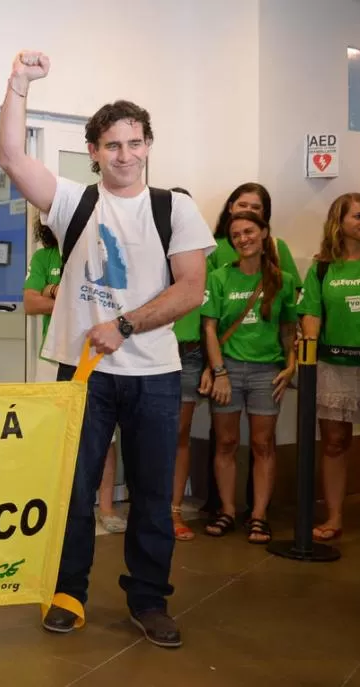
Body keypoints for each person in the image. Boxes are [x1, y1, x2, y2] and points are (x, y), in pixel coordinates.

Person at [0, 50, 215, 648]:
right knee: (71, 491)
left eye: (135, 142)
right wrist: (19, 84)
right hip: (83, 372)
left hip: (154, 375)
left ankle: (149, 601)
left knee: (150, 495)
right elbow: (12, 156)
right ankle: (68, 593)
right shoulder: (75, 203)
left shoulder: (176, 208)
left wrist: (126, 324)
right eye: (112, 144)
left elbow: (191, 289)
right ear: (94, 151)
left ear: (148, 145)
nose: (125, 154)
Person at [298, 193, 360, 549]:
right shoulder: (323, 267)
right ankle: (334, 517)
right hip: (333, 367)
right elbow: (311, 312)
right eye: (358, 215)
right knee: (335, 443)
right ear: (339, 222)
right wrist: (309, 349)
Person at [24, 214, 127, 535]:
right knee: (51, 433)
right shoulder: (44, 257)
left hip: (95, 358)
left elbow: (110, 303)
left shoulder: (99, 253)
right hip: (53, 357)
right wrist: (69, 297)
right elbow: (29, 302)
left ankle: (107, 506)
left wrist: (54, 292)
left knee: (104, 437)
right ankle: (53, 506)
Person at [204, 183, 301, 522]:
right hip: (227, 370)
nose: (243, 239)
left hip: (267, 372)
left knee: (263, 445)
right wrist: (218, 372)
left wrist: (291, 366)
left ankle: (259, 515)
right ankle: (228, 511)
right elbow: (210, 328)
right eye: (236, 235)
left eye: (249, 231)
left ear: (264, 233)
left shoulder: (283, 280)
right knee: (226, 443)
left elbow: (290, 329)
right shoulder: (218, 278)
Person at [168, 187, 212, 542]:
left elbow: (212, 318)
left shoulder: (203, 261)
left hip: (190, 355)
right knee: (149, 435)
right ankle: (149, 506)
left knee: (179, 435)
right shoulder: (148, 256)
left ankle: (173, 510)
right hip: (151, 354)